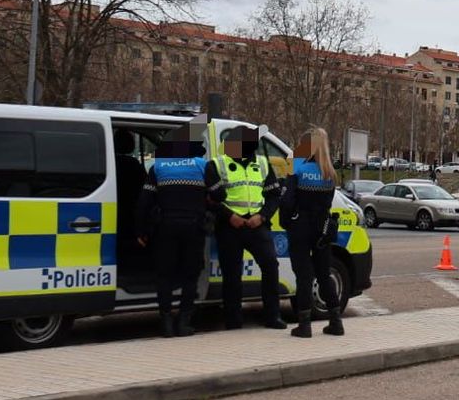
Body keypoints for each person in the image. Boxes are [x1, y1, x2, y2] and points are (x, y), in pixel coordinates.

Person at [135, 124, 224, 338]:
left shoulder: (159, 167)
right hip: (193, 228)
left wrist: (141, 231)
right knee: (190, 275)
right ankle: (184, 322)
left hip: (165, 227)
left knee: (164, 275)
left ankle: (166, 322)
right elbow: (220, 195)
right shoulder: (203, 165)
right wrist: (205, 197)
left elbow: (144, 202)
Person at [214, 125, 286, 330]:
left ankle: (272, 316)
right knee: (232, 274)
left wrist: (262, 217)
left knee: (271, 266)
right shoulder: (218, 164)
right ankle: (233, 320)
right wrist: (229, 216)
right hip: (230, 226)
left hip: (256, 225)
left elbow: (274, 196)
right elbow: (210, 199)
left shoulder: (263, 164)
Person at [282, 127, 346, 338]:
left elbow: (288, 200)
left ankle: (304, 325)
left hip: (300, 226)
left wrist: (288, 222)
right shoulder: (329, 172)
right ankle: (336, 322)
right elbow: (327, 204)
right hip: (322, 229)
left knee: (303, 276)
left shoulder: (297, 166)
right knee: (323, 274)